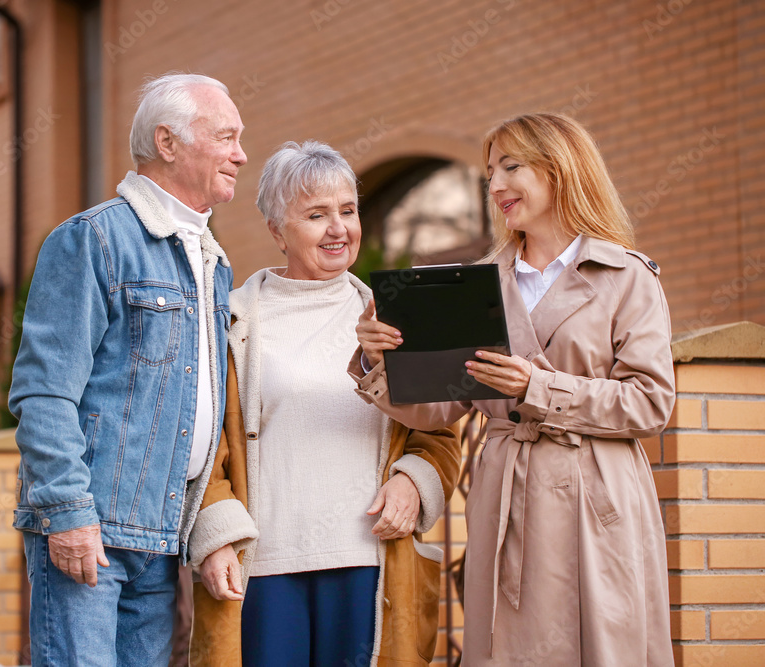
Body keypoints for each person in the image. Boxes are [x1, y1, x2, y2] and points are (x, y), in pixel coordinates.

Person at [353, 113, 675, 665]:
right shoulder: (478, 283)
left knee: (603, 645)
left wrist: (540, 388)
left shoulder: (626, 276)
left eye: (511, 166)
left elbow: (649, 403)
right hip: (506, 494)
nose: (495, 185)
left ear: (560, 169)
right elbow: (437, 408)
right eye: (489, 173)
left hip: (597, 494)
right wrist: (378, 359)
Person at [187, 140, 462, 667]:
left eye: (348, 211)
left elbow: (440, 431)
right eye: (316, 215)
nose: (339, 229)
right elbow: (202, 440)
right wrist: (216, 535)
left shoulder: (395, 314)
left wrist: (413, 480)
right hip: (263, 567)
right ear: (276, 230)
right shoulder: (231, 321)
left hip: (370, 560)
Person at [8, 73, 247, 666]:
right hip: (92, 532)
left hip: (162, 539)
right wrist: (67, 514)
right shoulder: (92, 240)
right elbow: (43, 392)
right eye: (225, 137)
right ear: (167, 143)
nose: (241, 154)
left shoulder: (212, 262)